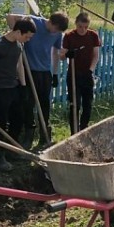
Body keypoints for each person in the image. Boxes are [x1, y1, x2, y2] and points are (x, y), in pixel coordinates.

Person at [0, 18, 36, 170]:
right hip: (0, 89)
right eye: (27, 36)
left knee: (18, 119)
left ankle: (11, 150)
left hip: (13, 87)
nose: (28, 39)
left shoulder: (18, 44)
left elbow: (19, 64)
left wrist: (24, 86)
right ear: (18, 32)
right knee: (0, 123)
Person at [14, 11, 69, 148]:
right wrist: (16, 33)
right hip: (29, 70)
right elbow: (10, 17)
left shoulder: (57, 33)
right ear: (51, 22)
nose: (55, 32)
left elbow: (56, 53)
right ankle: (29, 134)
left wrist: (55, 74)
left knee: (44, 104)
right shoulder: (34, 21)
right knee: (28, 104)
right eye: (55, 29)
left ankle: (45, 135)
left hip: (45, 72)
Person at [60, 12, 101, 134]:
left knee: (87, 104)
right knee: (75, 105)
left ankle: (83, 129)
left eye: (85, 27)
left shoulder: (93, 35)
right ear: (76, 24)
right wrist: (67, 54)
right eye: (80, 27)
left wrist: (90, 70)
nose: (82, 30)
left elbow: (96, 55)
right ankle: (74, 132)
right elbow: (62, 56)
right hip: (73, 75)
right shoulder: (69, 36)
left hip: (87, 74)